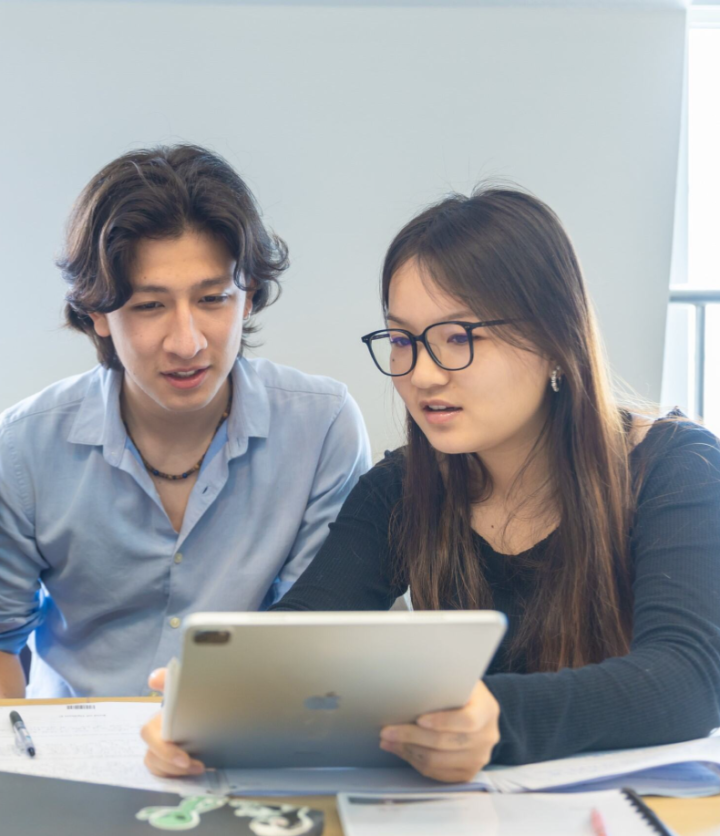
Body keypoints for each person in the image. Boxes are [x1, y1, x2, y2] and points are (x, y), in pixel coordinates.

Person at [141, 186, 720, 783]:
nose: (421, 375)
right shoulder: (398, 488)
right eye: (402, 341)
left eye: (459, 338)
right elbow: (302, 636)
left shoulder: (678, 467)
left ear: (555, 338)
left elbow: (689, 676)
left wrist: (497, 720)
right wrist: (210, 705)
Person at [0, 145, 371, 699]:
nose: (187, 342)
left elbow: (320, 638)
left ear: (248, 299)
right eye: (150, 306)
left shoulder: (322, 428)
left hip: (250, 730)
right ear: (97, 311)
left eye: (213, 298)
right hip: (74, 741)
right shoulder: (21, 447)